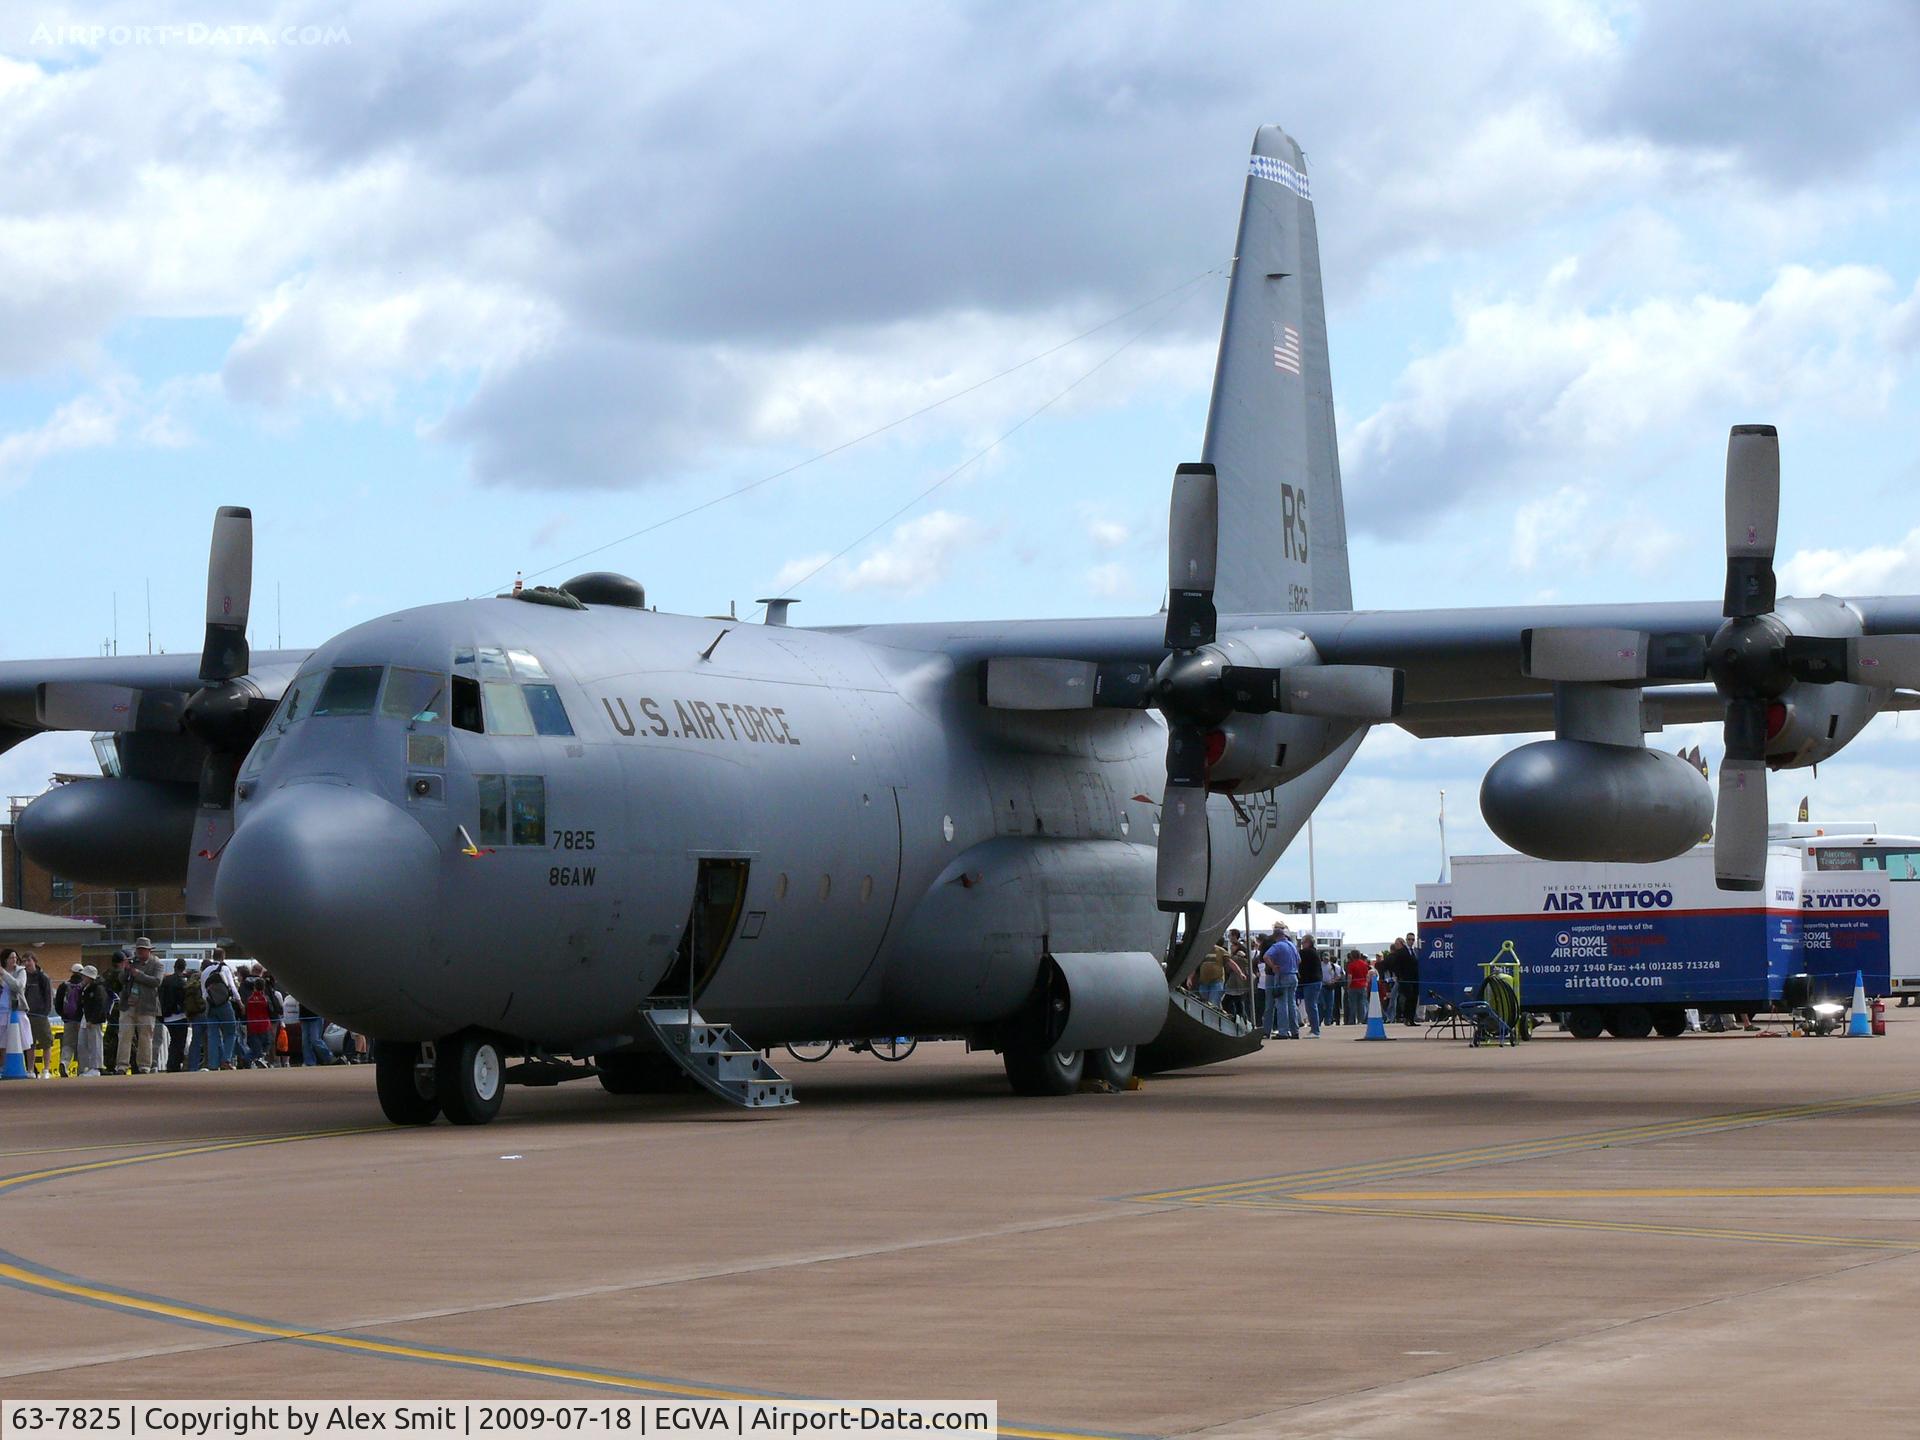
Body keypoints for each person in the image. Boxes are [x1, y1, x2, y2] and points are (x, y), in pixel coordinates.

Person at [114, 938, 164, 1075]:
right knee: (124, 1035)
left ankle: (144, 1066)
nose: (140, 952)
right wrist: (125, 969)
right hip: (128, 1005)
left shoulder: (157, 964)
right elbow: (121, 980)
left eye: (143, 949)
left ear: (149, 950)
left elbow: (157, 981)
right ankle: (121, 1066)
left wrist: (139, 975)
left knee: (145, 1037)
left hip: (147, 1006)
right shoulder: (132, 962)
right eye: (138, 949)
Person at [201, 950, 242, 1070]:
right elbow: (232, 987)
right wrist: (240, 1002)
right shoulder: (224, 968)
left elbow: (203, 992)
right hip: (224, 1004)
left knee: (213, 1035)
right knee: (230, 1032)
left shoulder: (205, 971)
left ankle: (213, 1064)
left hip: (210, 1005)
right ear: (223, 957)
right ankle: (226, 1060)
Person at [21, 952, 55, 1077]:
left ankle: (46, 1069)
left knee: (46, 1042)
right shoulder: (23, 976)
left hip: (40, 1016)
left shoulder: (43, 977)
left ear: (35, 961)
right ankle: (30, 1070)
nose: (26, 964)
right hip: (27, 1015)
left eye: (28, 960)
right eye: (24, 961)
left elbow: (48, 996)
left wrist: (45, 1012)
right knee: (30, 1044)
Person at [1263, 927, 1300, 1039]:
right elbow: (1299, 960)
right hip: (1294, 975)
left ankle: (1283, 1031)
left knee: (1281, 1004)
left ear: (1275, 937)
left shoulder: (1277, 946)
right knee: (1292, 1004)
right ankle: (1295, 1031)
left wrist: (1273, 966)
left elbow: (1265, 956)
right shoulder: (1292, 945)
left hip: (1283, 976)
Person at [74, 964, 109, 1076]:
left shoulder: (99, 989)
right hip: (86, 1019)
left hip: (94, 1021)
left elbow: (100, 1006)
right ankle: (86, 1066)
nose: (82, 978)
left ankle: (96, 1067)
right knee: (82, 1044)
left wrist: (93, 1020)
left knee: (95, 1044)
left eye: (84, 976)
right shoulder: (85, 988)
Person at [159, 960, 190, 1072]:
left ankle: (171, 1065)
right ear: (184, 968)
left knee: (173, 1042)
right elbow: (183, 1000)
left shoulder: (165, 980)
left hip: (166, 1016)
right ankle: (174, 1065)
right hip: (179, 1016)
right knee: (179, 1043)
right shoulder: (181, 983)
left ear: (174, 967)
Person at [1297, 934, 1325, 1038]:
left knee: (1311, 1006)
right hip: (1314, 981)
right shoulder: (1313, 952)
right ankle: (1314, 1029)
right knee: (1311, 1006)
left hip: (1311, 982)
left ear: (1308, 942)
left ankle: (1315, 1030)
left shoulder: (1306, 952)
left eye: (1303, 943)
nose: (1301, 945)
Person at [1398, 934, 1422, 1025]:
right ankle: (1407, 1018)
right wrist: (1400, 977)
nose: (1411, 941)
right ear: (1406, 940)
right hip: (1406, 979)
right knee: (1408, 999)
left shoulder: (1416, 951)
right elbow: (1398, 965)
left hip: (1415, 979)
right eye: (1409, 939)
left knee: (1414, 999)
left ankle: (1411, 1019)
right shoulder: (1401, 952)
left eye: (1412, 939)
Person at [1344, 948, 1370, 1026]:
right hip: (1363, 986)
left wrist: (1348, 986)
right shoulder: (1364, 964)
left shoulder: (1351, 965)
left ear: (1352, 956)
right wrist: (1366, 984)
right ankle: (1361, 1020)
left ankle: (1352, 1020)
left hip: (1353, 986)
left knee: (1353, 1004)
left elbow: (1350, 977)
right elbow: (1367, 976)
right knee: (1362, 1003)